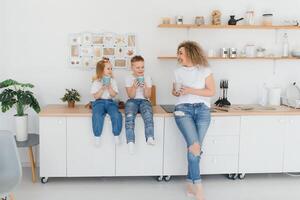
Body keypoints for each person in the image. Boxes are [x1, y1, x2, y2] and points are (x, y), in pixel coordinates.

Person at [172, 41, 216, 200]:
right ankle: (198, 186)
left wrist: (190, 90)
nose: (179, 56)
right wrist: (177, 92)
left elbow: (211, 91)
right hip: (183, 109)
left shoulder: (205, 70)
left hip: (203, 110)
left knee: (194, 149)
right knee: (195, 147)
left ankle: (190, 182)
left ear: (190, 53)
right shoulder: (177, 72)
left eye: (181, 53)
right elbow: (175, 91)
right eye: (178, 53)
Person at [125, 55, 155, 154]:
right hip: (132, 101)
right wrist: (134, 87)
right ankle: (130, 142)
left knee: (148, 116)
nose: (141, 69)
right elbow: (131, 96)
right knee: (129, 118)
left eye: (142, 67)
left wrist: (145, 87)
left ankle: (150, 137)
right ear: (132, 68)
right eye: (138, 67)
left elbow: (147, 96)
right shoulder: (128, 78)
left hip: (144, 101)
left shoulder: (147, 77)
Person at [91, 58, 122, 145]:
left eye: (111, 68)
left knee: (116, 114)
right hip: (99, 102)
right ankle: (97, 136)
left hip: (110, 102)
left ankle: (116, 135)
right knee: (96, 115)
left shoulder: (113, 81)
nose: (110, 70)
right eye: (108, 68)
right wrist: (102, 88)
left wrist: (109, 87)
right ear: (101, 70)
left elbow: (113, 95)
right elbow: (96, 96)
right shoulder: (96, 82)